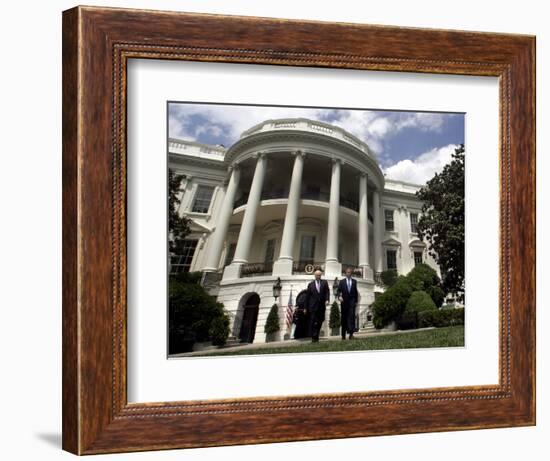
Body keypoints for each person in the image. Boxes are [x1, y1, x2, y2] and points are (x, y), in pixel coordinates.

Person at [305, 269, 330, 342]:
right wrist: (305, 308)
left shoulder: (324, 283)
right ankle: (314, 337)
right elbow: (307, 297)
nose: (318, 276)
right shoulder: (310, 284)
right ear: (314, 276)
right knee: (313, 322)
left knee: (320, 321)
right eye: (317, 275)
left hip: (321, 306)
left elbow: (327, 292)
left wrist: (327, 299)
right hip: (313, 307)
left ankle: (316, 335)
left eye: (319, 275)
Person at [338, 267, 359, 339]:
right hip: (344, 303)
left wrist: (356, 301)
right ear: (345, 273)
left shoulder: (354, 282)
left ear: (351, 274)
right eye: (347, 272)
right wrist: (339, 297)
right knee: (344, 318)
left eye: (350, 272)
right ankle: (343, 336)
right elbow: (338, 291)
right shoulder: (341, 282)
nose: (349, 274)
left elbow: (355, 292)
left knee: (351, 318)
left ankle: (351, 334)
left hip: (352, 303)